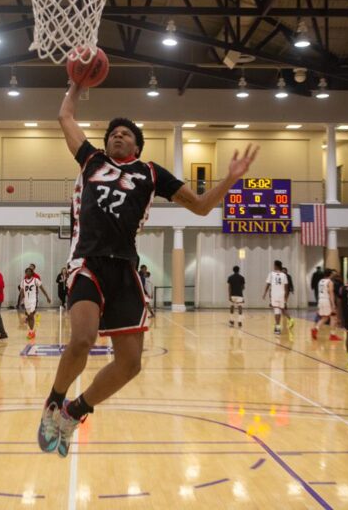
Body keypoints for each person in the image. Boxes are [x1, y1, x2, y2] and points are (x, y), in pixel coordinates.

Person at [37, 80, 258, 458]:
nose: (117, 137)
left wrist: (231, 180)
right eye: (112, 134)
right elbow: (65, 115)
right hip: (87, 261)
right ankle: (54, 404)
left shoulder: (151, 173)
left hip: (124, 269)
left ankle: (76, 411)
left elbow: (202, 206)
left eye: (125, 134)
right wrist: (75, 82)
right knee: (83, 339)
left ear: (137, 146)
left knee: (131, 363)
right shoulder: (91, 160)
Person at [19, 267, 51, 340]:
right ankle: (32, 331)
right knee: (29, 316)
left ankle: (31, 332)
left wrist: (47, 297)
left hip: (33, 300)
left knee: (31, 315)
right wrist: (20, 301)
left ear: (32, 273)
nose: (28, 273)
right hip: (26, 301)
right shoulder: (23, 282)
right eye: (26, 272)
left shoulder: (35, 280)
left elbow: (42, 289)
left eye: (29, 272)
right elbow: (21, 292)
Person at [263, 260, 292, 335]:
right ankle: (288, 320)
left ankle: (278, 328)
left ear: (276, 266)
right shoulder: (284, 275)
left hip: (275, 295)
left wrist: (265, 293)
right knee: (280, 310)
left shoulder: (271, 274)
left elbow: (268, 284)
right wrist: (285, 298)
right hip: (281, 295)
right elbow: (286, 287)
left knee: (277, 311)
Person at [311, 269, 341, 341]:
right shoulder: (330, 282)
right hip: (327, 300)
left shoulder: (320, 281)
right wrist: (333, 304)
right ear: (330, 274)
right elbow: (331, 293)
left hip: (321, 300)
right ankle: (332, 335)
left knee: (325, 318)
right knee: (333, 317)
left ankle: (315, 329)